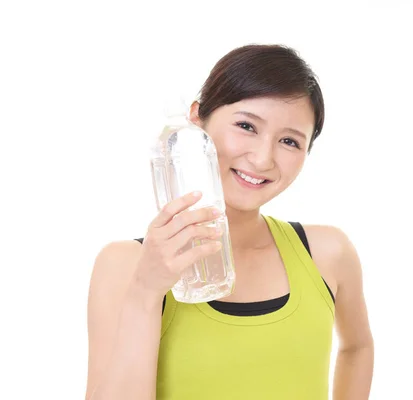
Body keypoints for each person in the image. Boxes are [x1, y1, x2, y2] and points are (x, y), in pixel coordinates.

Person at [86, 44, 374, 400]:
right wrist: (146, 291)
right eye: (246, 125)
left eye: (289, 141)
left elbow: (357, 348)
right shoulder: (124, 265)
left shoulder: (326, 254)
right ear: (196, 118)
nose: (262, 157)